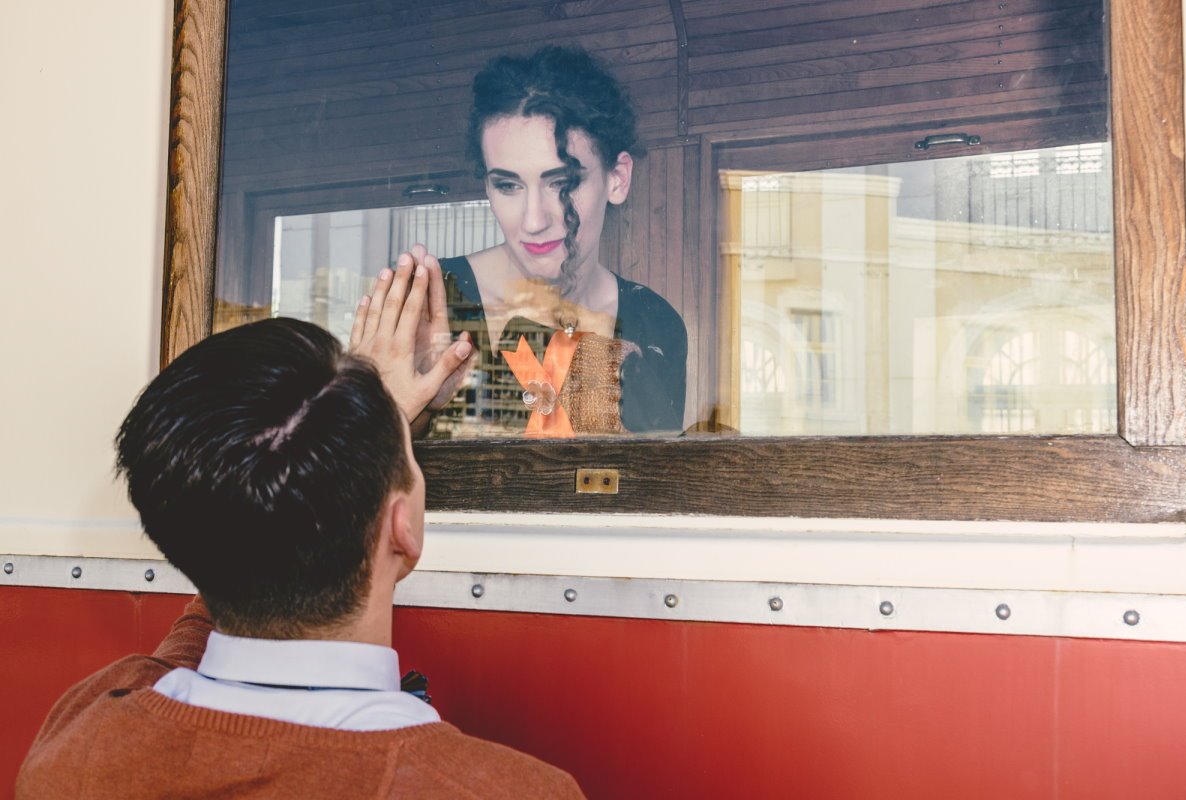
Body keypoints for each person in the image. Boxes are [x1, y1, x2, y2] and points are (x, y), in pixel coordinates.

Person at [16, 262, 582, 798]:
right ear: (402, 529)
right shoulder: (509, 791)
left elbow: (229, 538)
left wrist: (358, 424)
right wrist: (367, 423)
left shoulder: (81, 742)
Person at [429, 45, 688, 438]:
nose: (534, 221)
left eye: (562, 183)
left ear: (617, 178)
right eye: (508, 185)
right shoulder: (434, 300)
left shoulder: (656, 323)